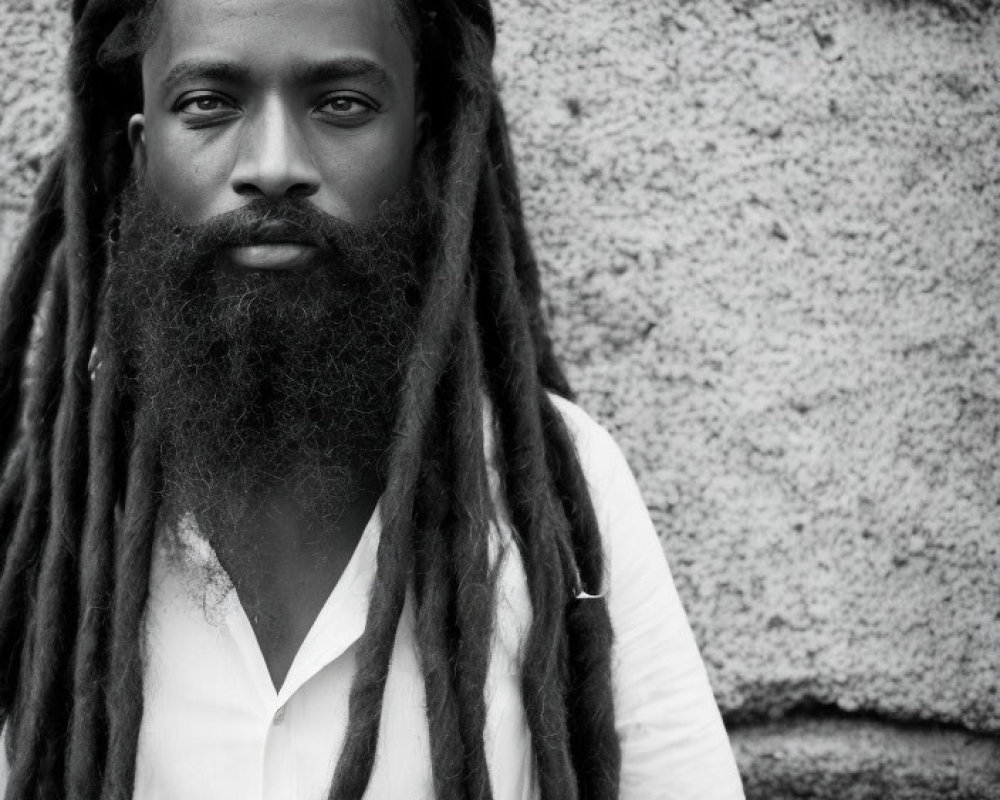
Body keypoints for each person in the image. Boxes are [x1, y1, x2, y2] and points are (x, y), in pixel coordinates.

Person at [0, 0, 746, 797]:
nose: (276, 163)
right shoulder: (37, 515)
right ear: (143, 153)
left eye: (342, 103)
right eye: (209, 103)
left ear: (420, 142)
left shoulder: (563, 493)